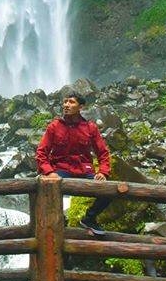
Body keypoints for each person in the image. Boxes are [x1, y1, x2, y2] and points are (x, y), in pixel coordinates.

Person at [35, 92, 112, 236]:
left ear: (81, 106)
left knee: (109, 190)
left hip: (85, 171)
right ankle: (56, 220)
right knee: (46, 185)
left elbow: (103, 152)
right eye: (65, 102)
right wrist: (49, 172)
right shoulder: (54, 126)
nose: (66, 105)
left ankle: (89, 218)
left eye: (71, 102)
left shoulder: (90, 128)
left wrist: (103, 172)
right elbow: (41, 152)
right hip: (61, 169)